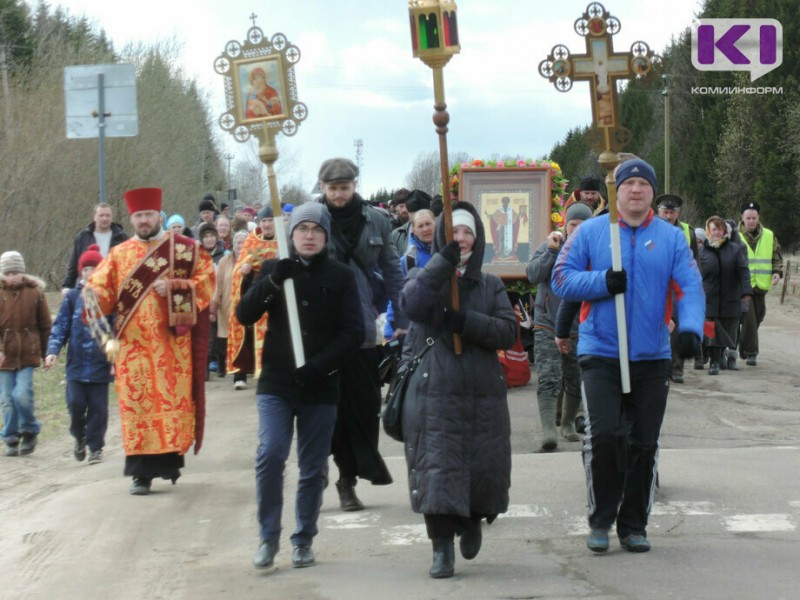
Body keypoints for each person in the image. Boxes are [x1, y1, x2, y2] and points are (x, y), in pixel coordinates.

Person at [551, 158, 704, 553]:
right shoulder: (590, 232)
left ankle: (633, 523)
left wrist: (689, 329)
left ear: (652, 192)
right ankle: (601, 517)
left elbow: (690, 285)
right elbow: (561, 277)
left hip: (651, 356)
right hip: (600, 351)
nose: (636, 190)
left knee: (643, 442)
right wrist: (602, 281)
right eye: (628, 183)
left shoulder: (671, 238)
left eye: (643, 184)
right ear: (615, 191)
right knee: (605, 435)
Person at [238, 203, 364, 570]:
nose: (309, 235)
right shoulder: (273, 269)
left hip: (320, 385)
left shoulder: (341, 276)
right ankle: (267, 536)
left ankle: (303, 538)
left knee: (312, 467)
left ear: (326, 236)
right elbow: (245, 314)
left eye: (316, 229)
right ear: (290, 235)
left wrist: (319, 367)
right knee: (271, 454)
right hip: (277, 382)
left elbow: (354, 333)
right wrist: (272, 280)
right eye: (302, 228)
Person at [399, 203, 517, 578]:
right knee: (437, 469)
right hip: (436, 391)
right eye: (454, 234)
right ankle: (440, 549)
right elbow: (413, 305)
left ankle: (472, 520)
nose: (462, 240)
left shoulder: (491, 284)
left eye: (468, 233)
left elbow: (507, 331)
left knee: (482, 467)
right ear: (441, 238)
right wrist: (441, 265)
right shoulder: (423, 274)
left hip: (482, 391)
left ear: (478, 239)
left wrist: (464, 321)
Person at [86, 187, 215, 495]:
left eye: (148, 214)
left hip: (172, 346)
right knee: (137, 407)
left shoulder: (184, 249)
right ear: (131, 219)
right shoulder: (118, 255)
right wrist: (91, 293)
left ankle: (169, 464)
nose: (143, 220)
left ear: (159, 215)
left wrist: (173, 287)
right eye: (138, 216)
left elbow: (206, 283)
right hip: (132, 348)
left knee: (171, 401)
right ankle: (140, 475)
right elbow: (101, 292)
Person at [317, 157, 401, 509]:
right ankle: (341, 478)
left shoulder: (377, 220)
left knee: (365, 409)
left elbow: (393, 269)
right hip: (324, 330)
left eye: (344, 187)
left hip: (366, 329)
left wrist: (407, 315)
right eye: (333, 188)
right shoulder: (310, 220)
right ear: (323, 188)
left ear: (354, 185)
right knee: (329, 410)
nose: (339, 194)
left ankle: (352, 473)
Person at [526, 201, 593, 451]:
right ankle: (548, 430)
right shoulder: (549, 246)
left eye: (581, 226)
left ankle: (567, 424)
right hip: (547, 323)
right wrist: (551, 253)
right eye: (572, 225)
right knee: (549, 376)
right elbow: (532, 274)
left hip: (579, 325)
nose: (576, 230)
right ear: (565, 226)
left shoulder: (593, 249)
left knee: (575, 377)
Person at [45, 245, 113, 464]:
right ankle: (79, 436)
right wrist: (53, 351)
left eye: (94, 268)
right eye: (86, 269)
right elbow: (60, 326)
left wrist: (115, 359)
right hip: (75, 366)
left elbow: (116, 329)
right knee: (75, 405)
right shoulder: (73, 297)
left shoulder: (108, 298)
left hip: (100, 365)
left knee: (98, 411)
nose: (90, 273)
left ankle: (95, 448)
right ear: (80, 272)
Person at [0, 251, 52, 457]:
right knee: (6, 398)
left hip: (28, 354)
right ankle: (10, 435)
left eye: (16, 272)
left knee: (21, 394)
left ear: (23, 272)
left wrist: (48, 353)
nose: (12, 277)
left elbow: (45, 325)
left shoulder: (35, 292)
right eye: (8, 273)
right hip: (5, 356)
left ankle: (30, 429)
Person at [227, 206, 278, 390]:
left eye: (270, 220)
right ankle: (240, 375)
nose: (267, 224)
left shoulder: (284, 239)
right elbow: (240, 267)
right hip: (255, 290)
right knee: (247, 332)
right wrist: (243, 271)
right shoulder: (251, 240)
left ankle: (270, 374)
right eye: (264, 221)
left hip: (277, 293)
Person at [699, 216, 753, 375]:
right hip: (709, 299)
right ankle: (714, 362)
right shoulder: (702, 252)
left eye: (719, 229)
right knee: (711, 331)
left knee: (730, 330)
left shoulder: (735, 249)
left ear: (724, 231)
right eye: (713, 229)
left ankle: (727, 356)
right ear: (709, 231)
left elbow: (743, 271)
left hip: (730, 298)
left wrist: (746, 291)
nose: (716, 232)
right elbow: (695, 275)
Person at [655, 194, 698, 384]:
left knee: (678, 326)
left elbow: (695, 260)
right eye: (665, 211)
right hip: (656, 285)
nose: (668, 216)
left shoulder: (688, 231)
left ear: (678, 213)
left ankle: (677, 369)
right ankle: (659, 366)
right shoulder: (649, 228)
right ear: (659, 212)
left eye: (672, 212)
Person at [738, 201, 783, 366]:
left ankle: (741, 340)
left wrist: (777, 273)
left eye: (754, 218)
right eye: (748, 218)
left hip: (761, 286)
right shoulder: (734, 235)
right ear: (742, 218)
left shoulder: (769, 235)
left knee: (759, 315)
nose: (751, 221)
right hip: (743, 286)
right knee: (749, 318)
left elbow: (776, 256)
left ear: (758, 218)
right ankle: (750, 352)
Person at [62, 203, 128, 293]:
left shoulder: (122, 237)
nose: (104, 219)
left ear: (112, 217)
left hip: (113, 287)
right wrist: (67, 286)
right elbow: (73, 265)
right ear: (94, 217)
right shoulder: (82, 237)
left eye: (108, 215)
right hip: (87, 287)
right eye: (101, 215)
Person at [211, 231, 247, 378]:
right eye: (238, 242)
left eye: (244, 242)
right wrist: (214, 306)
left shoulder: (252, 260)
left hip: (244, 304)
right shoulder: (224, 261)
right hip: (226, 304)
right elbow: (217, 285)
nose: (241, 245)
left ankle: (243, 368)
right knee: (223, 337)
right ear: (233, 244)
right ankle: (222, 365)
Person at [485, 195, 527, 261]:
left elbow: (515, 216)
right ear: (502, 202)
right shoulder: (499, 210)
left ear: (508, 202)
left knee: (509, 240)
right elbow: (494, 216)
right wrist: (490, 215)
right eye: (504, 201)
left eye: (507, 201)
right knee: (501, 241)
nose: (505, 203)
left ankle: (509, 254)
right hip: (501, 229)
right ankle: (501, 254)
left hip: (509, 228)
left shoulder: (510, 210)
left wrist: (520, 215)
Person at [389, 188, 412, 255]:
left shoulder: (417, 225)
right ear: (396, 207)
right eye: (401, 206)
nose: (404, 209)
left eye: (407, 206)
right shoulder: (389, 226)